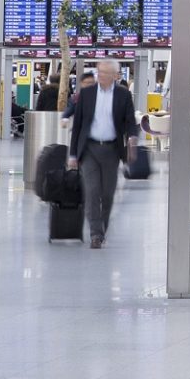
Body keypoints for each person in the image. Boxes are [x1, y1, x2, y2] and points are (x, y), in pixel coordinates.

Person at [66, 61, 138, 249]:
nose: (102, 76)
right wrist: (73, 154)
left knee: (107, 194)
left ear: (116, 75)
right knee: (91, 192)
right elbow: (78, 126)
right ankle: (96, 234)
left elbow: (130, 120)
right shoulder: (87, 94)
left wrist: (132, 137)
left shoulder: (123, 94)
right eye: (100, 72)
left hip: (112, 150)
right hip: (89, 149)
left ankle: (102, 227)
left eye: (106, 73)